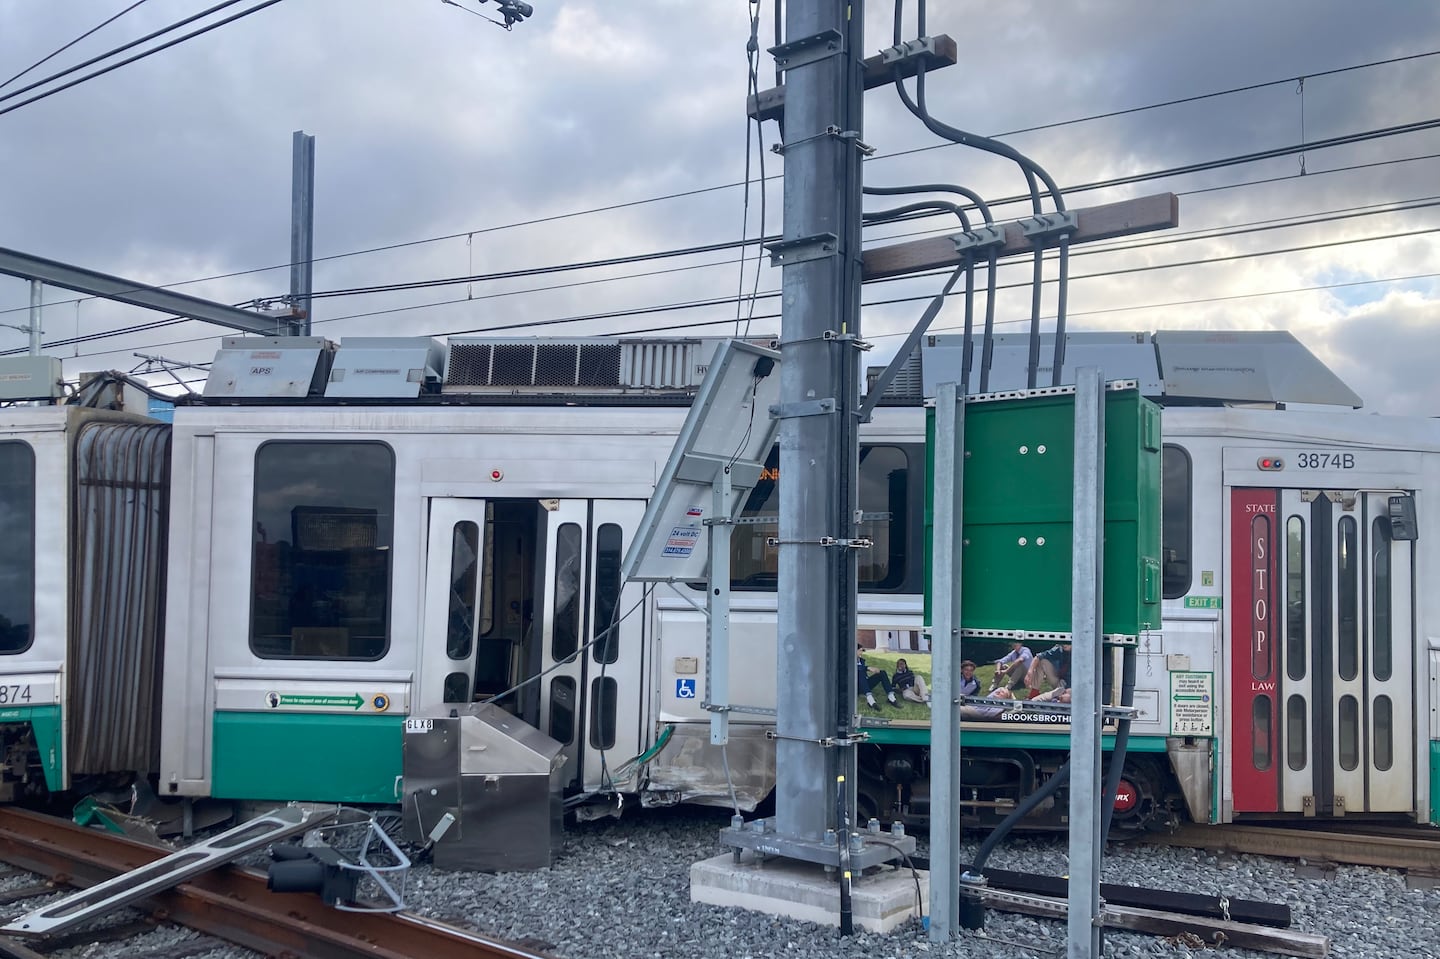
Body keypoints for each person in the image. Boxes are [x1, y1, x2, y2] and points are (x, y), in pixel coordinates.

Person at [857, 643, 896, 709]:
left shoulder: (861, 660)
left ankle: (891, 697)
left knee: (882, 673)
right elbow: (855, 668)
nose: (862, 652)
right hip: (856, 686)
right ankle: (870, 700)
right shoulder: (849, 660)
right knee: (860, 673)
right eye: (860, 650)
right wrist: (868, 668)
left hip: (865, 683)